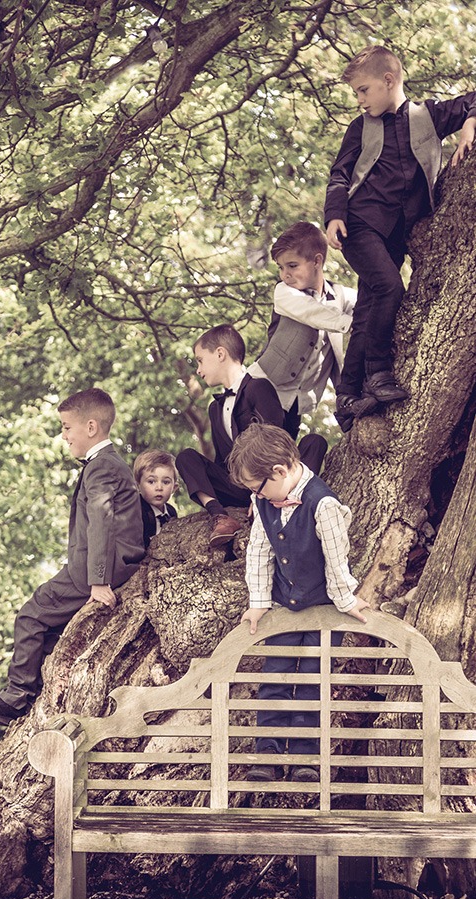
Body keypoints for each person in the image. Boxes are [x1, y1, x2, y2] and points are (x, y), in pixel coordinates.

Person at [0, 388, 145, 726]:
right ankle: (43, 691)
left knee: (31, 616)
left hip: (97, 570)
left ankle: (17, 696)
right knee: (49, 633)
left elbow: (102, 522)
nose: (64, 436)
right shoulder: (106, 463)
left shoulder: (102, 467)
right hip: (103, 565)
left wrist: (98, 581)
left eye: (67, 427)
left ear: (91, 427)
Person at [325, 45, 476, 428]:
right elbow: (340, 174)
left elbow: (473, 99)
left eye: (363, 90)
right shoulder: (361, 127)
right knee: (391, 288)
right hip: (359, 225)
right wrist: (334, 216)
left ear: (389, 81)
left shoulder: (428, 115)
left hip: (395, 236)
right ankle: (377, 373)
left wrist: (470, 124)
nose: (359, 100)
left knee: (368, 306)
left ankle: (347, 396)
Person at [227, 424, 369, 782]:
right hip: (284, 608)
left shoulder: (324, 504)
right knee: (275, 678)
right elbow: (259, 550)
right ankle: (267, 753)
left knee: (312, 680)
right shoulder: (264, 500)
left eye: (257, 487)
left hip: (322, 609)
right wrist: (259, 600)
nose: (256, 495)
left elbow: (337, 559)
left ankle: (306, 756)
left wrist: (345, 599)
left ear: (279, 471)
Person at [176, 324, 326, 551]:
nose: (198, 369)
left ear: (220, 354)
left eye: (200, 360)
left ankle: (285, 505)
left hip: (273, 478)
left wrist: (260, 495)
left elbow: (275, 443)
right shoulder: (214, 409)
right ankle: (220, 517)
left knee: (314, 442)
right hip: (237, 484)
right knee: (186, 458)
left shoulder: (259, 387)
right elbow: (221, 461)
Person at [248, 222, 358, 433]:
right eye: (281, 267)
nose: (284, 274)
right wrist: (350, 323)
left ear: (317, 261)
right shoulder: (284, 293)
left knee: (284, 457)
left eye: (292, 265)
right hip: (262, 390)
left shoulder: (341, 296)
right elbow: (311, 312)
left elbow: (367, 305)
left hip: (296, 404)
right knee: (254, 455)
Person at [133, 449, 178, 548]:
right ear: (138, 485)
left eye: (166, 482)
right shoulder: (136, 510)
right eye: (151, 481)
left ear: (174, 487)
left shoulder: (171, 512)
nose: (159, 488)